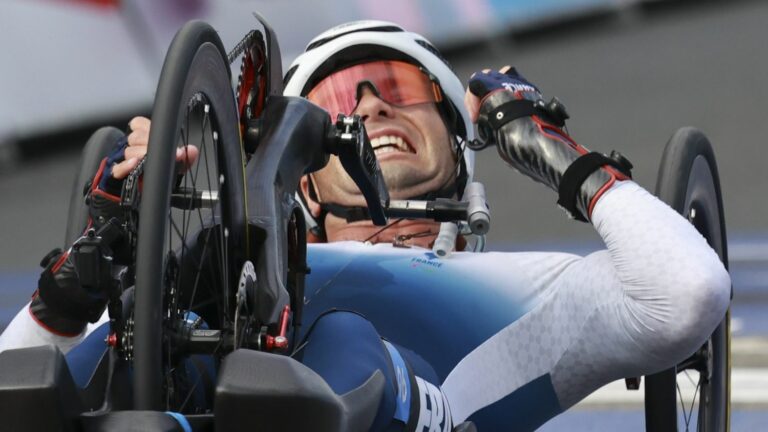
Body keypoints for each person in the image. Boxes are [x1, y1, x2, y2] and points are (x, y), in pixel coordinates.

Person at [0, 20, 730, 431]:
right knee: (132, 345)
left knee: (347, 343)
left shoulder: (525, 290)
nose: (375, 110)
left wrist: (555, 150)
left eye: (405, 93)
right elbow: (14, 386)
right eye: (343, 100)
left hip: (369, 388)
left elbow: (688, 291)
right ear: (301, 176)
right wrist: (77, 287)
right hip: (225, 365)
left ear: (459, 146)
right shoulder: (214, 291)